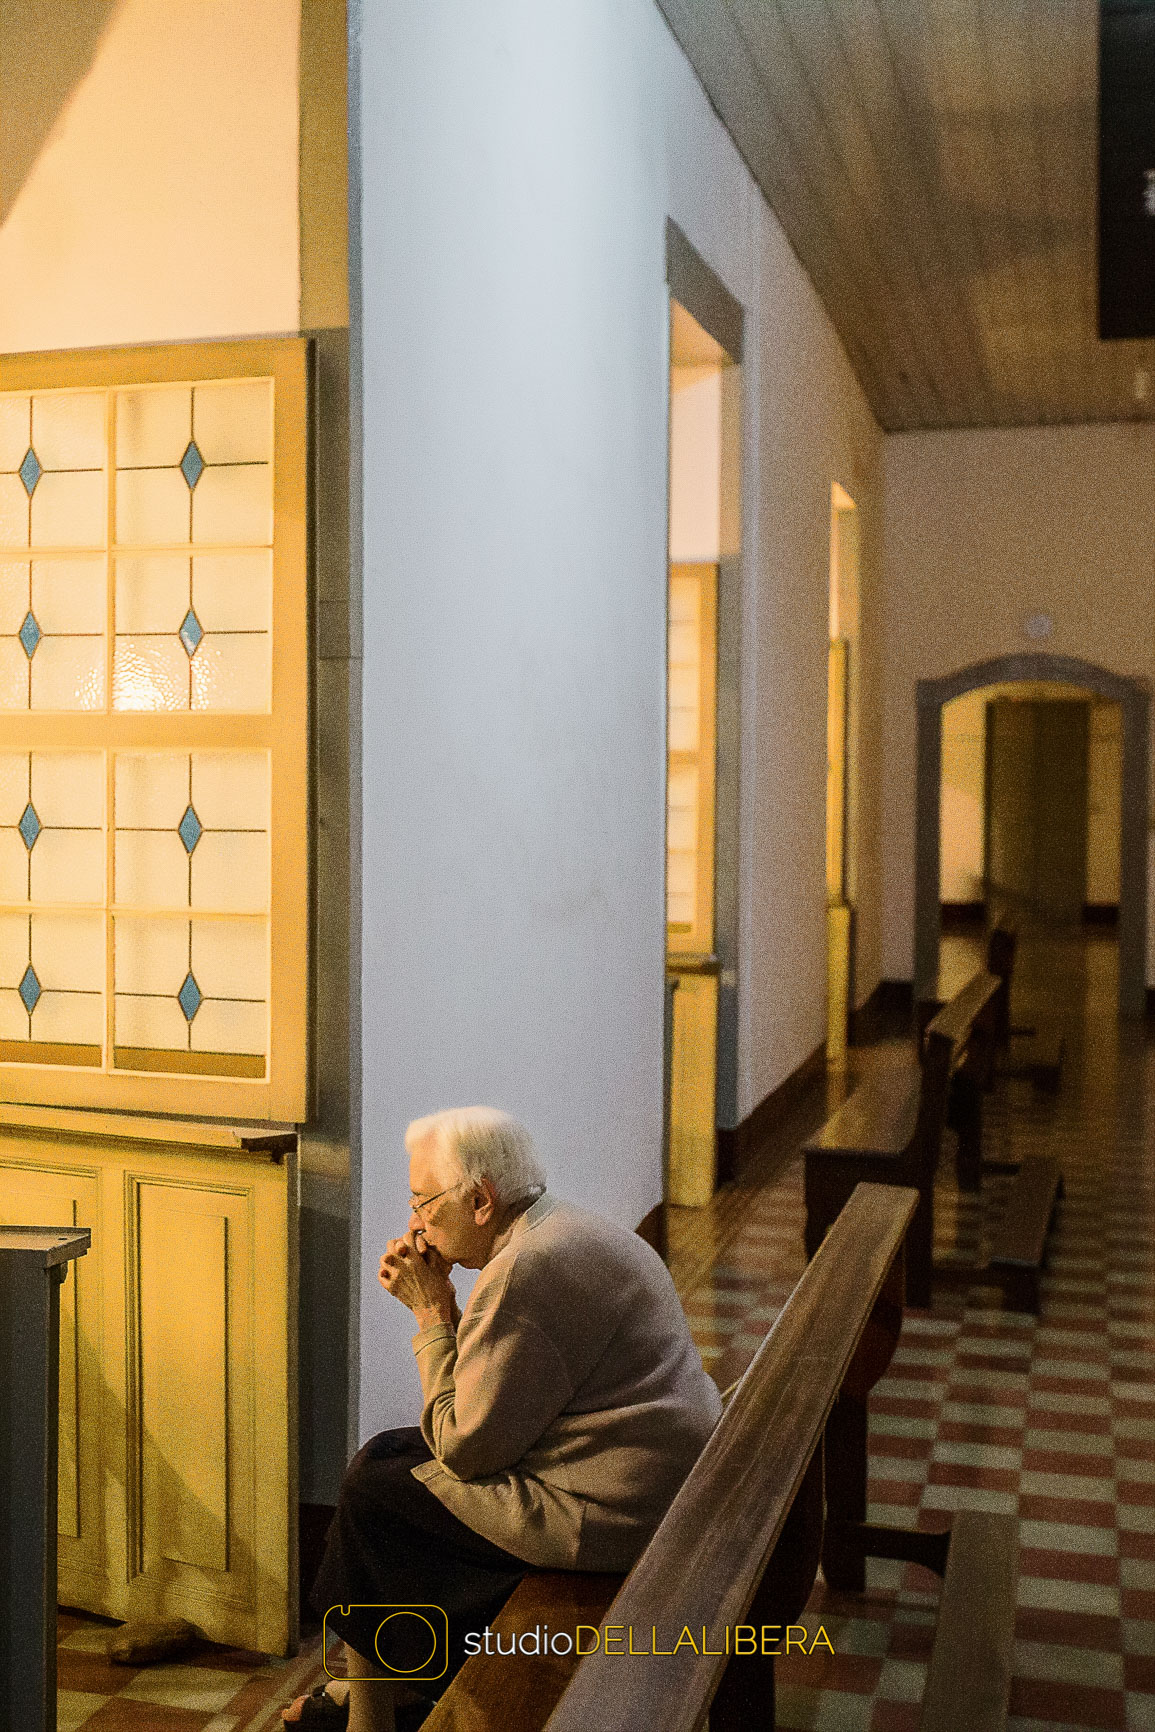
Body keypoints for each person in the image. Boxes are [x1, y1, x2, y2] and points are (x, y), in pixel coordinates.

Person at [284, 1106, 721, 1730]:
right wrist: (450, 1317)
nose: (415, 1224)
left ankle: (369, 1714)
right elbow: (497, 1403)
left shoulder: (522, 1271)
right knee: (387, 1460)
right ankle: (376, 1692)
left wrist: (433, 1313)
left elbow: (464, 1446)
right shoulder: (560, 1228)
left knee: (374, 1495)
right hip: (646, 1478)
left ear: (481, 1199)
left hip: (615, 1513)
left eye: (423, 1202)